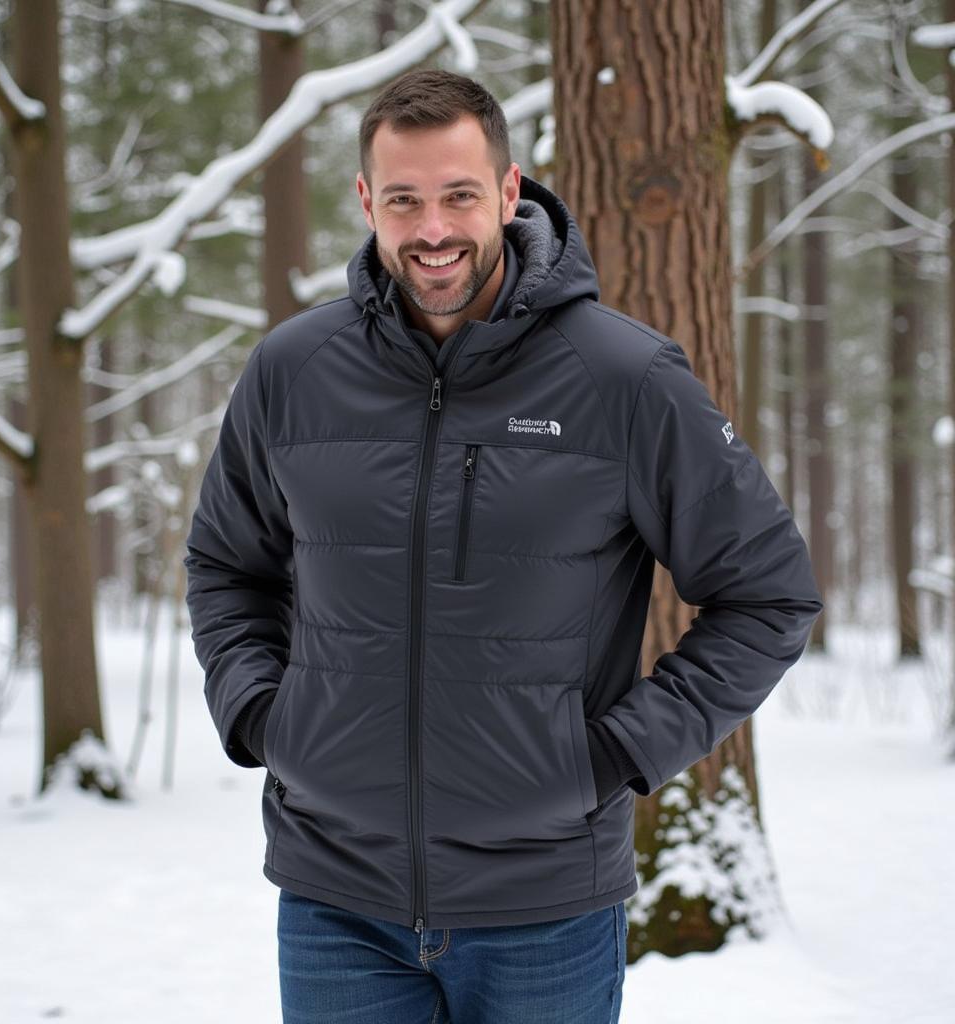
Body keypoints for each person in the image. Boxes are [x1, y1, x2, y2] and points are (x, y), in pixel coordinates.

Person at [184, 69, 823, 1024]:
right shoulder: (292, 372)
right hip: (335, 898)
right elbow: (228, 566)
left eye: (458, 195)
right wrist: (265, 720)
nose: (431, 228)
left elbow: (771, 596)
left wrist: (609, 758)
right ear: (366, 200)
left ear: (511, 191)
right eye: (403, 199)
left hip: (546, 909)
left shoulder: (623, 379)